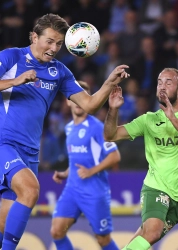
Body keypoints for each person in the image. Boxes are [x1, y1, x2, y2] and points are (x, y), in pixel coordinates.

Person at [0, 13, 129, 250]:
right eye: (50, 41)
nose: (54, 48)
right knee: (31, 190)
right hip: (3, 143)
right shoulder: (11, 57)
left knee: (4, 223)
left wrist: (109, 82)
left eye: (59, 43)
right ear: (34, 37)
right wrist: (14, 81)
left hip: (30, 152)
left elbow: (88, 104)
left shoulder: (60, 71)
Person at [104, 68, 178, 250]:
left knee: (145, 237)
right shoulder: (149, 120)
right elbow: (110, 135)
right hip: (156, 186)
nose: (162, 86)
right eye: (160, 82)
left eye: (168, 83)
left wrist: (173, 118)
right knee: (152, 232)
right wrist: (113, 110)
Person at [50, 80, 121, 250]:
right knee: (57, 231)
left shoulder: (97, 127)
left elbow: (115, 156)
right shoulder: (68, 128)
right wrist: (65, 173)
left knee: (103, 239)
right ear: (68, 100)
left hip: (94, 192)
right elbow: (77, 161)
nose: (79, 102)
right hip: (72, 190)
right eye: (75, 97)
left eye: (84, 97)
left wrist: (91, 171)